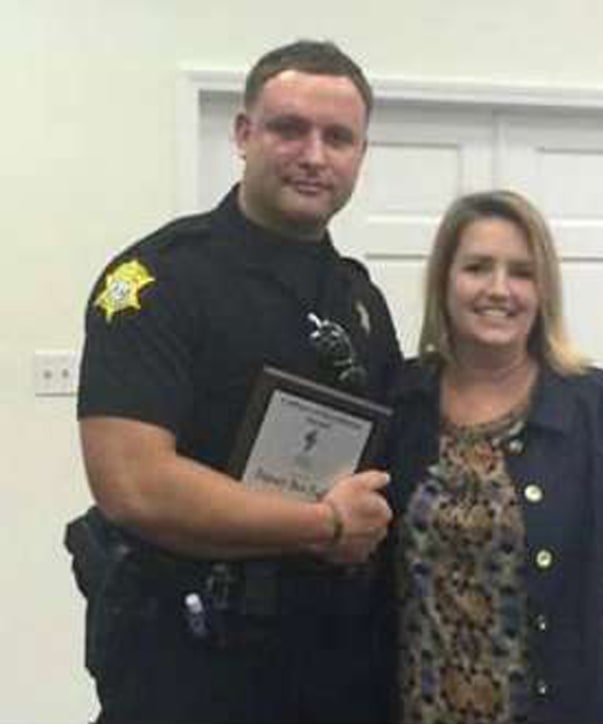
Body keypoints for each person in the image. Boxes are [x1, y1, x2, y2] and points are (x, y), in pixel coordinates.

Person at [65, 40, 402, 724]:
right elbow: (134, 485)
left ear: (361, 156)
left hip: (335, 664)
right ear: (244, 134)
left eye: (338, 137)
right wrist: (323, 523)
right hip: (190, 665)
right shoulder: (158, 283)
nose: (314, 155)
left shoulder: (359, 302)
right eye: (289, 129)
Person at [386, 190, 603, 724]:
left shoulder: (598, 408)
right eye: (478, 267)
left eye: (521, 272)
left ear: (543, 289)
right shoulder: (400, 401)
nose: (499, 289)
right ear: (444, 282)